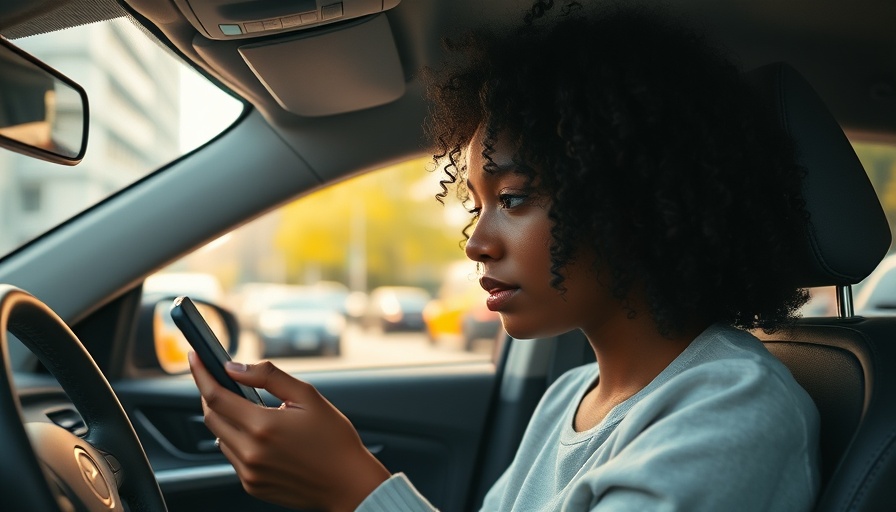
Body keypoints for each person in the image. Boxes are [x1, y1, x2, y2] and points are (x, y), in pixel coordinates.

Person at [188, 2, 821, 510]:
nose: (476, 242)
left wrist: (353, 490)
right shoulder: (570, 395)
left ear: (634, 202)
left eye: (514, 199)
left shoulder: (733, 412)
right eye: (477, 203)